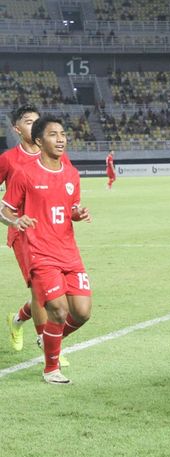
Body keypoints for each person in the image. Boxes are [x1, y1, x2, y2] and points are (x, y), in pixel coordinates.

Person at [1, 116, 92, 384]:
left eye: (63, 134)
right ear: (39, 141)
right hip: (40, 252)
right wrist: (16, 220)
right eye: (53, 134)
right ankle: (51, 368)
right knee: (58, 309)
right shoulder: (25, 174)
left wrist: (78, 213)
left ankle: (48, 338)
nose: (61, 139)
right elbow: (5, 208)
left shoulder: (71, 174)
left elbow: (70, 207)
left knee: (83, 312)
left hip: (69, 252)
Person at [1, 106, 70, 368]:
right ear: (17, 129)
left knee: (53, 294)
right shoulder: (8, 159)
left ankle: (17, 320)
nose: (34, 125)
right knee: (42, 290)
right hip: (24, 234)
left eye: (36, 121)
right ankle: (46, 344)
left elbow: (67, 186)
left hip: (54, 234)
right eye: (28, 122)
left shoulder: (55, 154)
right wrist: (12, 218)